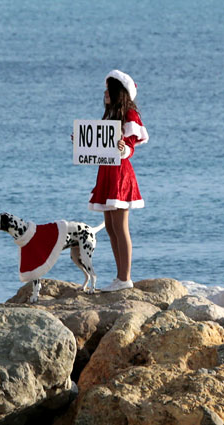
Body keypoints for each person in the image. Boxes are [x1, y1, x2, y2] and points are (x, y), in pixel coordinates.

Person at [89, 70, 149, 292]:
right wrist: (82, 143)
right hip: (107, 172)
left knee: (120, 226)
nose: (105, 93)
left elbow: (130, 148)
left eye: (109, 90)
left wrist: (124, 148)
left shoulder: (129, 115)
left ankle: (125, 278)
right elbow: (101, 145)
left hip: (120, 174)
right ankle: (120, 276)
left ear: (119, 92)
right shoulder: (111, 115)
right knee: (111, 226)